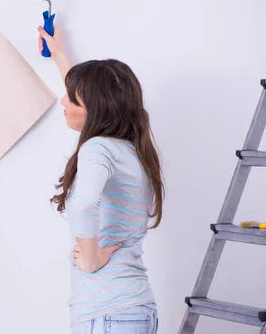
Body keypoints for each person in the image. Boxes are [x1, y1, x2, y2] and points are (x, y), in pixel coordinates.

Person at [38, 26, 163, 333]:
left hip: (107, 313)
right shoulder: (131, 150)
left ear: (95, 110)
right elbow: (93, 99)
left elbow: (83, 204)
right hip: (133, 309)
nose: (63, 103)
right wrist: (59, 56)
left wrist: (92, 258)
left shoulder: (97, 149)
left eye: (72, 100)